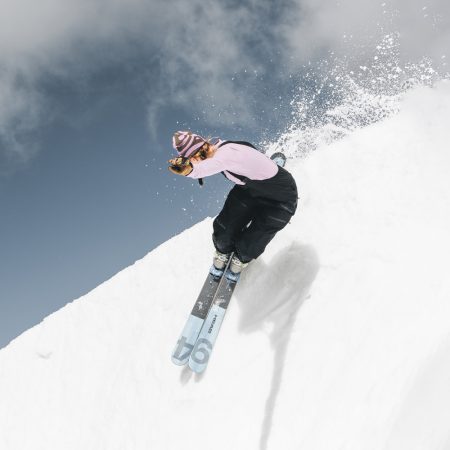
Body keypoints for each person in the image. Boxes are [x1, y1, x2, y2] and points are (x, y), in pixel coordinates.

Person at [168, 130, 298, 276]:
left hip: (280, 198)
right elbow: (250, 154)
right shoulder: (222, 147)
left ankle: (241, 259)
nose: (202, 158)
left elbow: (213, 165)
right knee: (223, 231)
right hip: (250, 191)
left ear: (206, 143)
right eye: (195, 158)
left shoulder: (226, 153)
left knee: (251, 243)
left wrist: (190, 170)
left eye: (202, 152)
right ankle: (223, 252)